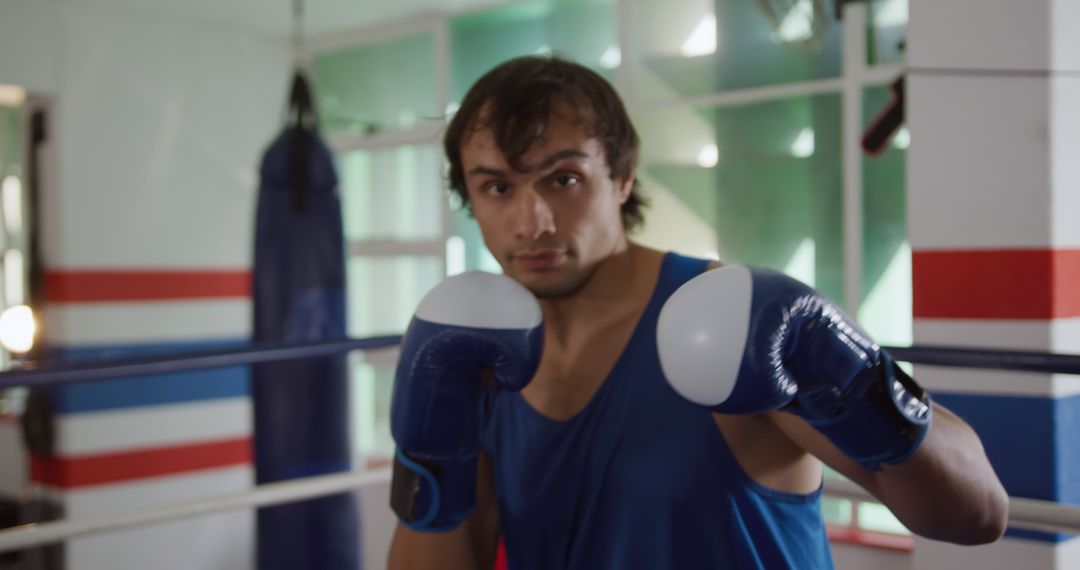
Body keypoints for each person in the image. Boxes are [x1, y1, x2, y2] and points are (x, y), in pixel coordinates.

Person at [387, 55, 1008, 569]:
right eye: (498, 187)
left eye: (564, 179)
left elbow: (977, 514)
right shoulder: (479, 356)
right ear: (470, 197)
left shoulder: (727, 320)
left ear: (622, 177)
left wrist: (848, 371)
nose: (533, 222)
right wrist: (430, 459)